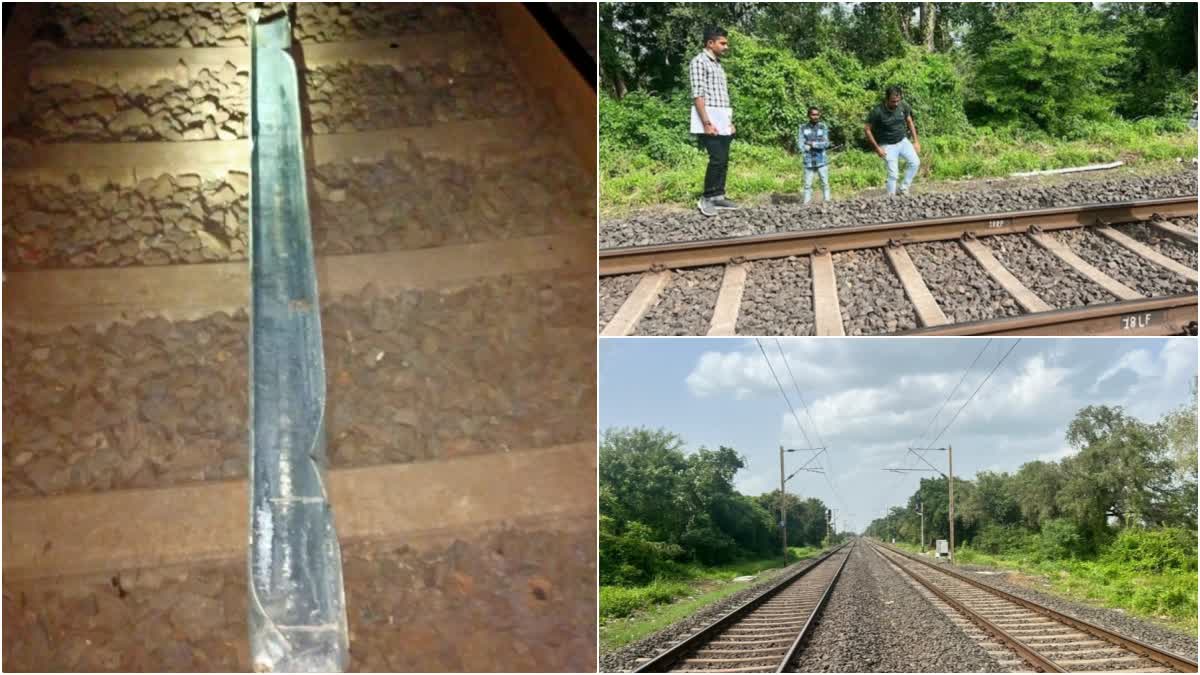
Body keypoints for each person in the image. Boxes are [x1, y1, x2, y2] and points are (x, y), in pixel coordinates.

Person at [689, 27, 738, 217]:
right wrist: (706, 123)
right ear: (710, 43)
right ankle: (707, 198)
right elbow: (698, 94)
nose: (726, 47)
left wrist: (729, 122)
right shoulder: (699, 62)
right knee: (716, 158)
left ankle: (719, 195)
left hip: (722, 119)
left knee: (724, 159)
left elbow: (722, 97)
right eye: (723, 43)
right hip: (709, 119)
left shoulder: (718, 64)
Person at [864, 85, 921, 195]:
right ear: (887, 99)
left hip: (902, 141)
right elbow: (867, 129)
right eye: (893, 101)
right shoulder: (878, 111)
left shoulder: (903, 106)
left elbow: (909, 122)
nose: (896, 104)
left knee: (915, 163)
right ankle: (891, 198)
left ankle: (904, 188)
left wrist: (916, 141)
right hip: (887, 145)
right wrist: (877, 149)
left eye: (897, 101)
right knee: (893, 174)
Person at [798, 106, 831, 204]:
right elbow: (800, 144)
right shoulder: (803, 128)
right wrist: (805, 147)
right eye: (813, 114)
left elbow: (826, 143)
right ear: (809, 115)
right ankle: (806, 203)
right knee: (807, 184)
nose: (815, 116)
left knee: (825, 183)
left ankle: (827, 201)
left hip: (822, 160)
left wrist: (813, 144)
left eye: (817, 114)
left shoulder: (823, 127)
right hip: (808, 160)